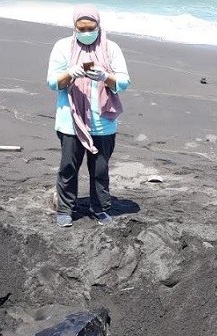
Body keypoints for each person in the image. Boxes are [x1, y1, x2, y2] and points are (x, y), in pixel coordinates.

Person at [46, 4, 130, 227]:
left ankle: (100, 208)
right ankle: (65, 209)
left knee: (100, 170)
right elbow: (52, 82)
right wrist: (70, 74)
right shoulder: (62, 47)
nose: (85, 33)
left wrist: (105, 76)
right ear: (73, 27)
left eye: (90, 28)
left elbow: (123, 82)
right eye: (80, 28)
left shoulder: (111, 48)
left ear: (98, 25)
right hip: (70, 121)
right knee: (68, 168)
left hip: (103, 121)